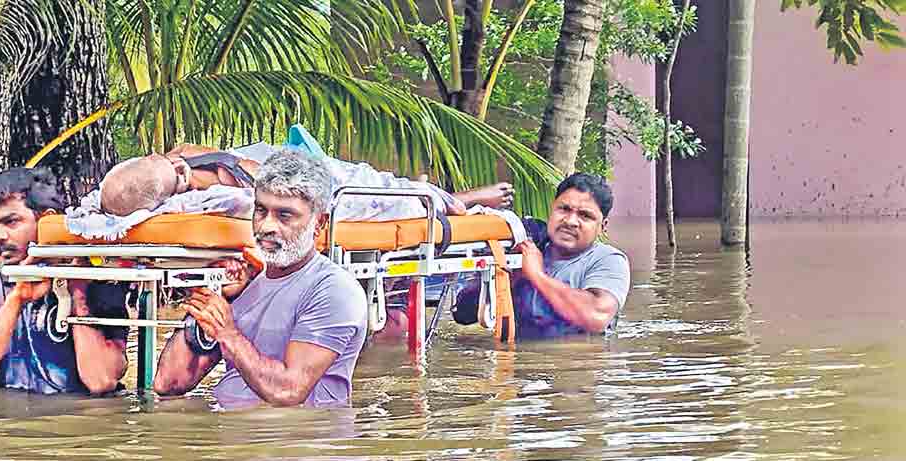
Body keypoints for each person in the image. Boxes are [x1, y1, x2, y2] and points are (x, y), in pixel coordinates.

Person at [153, 148, 369, 408]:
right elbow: (168, 383)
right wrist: (213, 299)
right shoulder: (243, 284)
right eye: (260, 211)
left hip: (296, 442)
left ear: (319, 223)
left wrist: (228, 334)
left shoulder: (334, 290)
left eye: (284, 215)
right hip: (230, 435)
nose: (266, 226)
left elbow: (288, 392)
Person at [0, 167, 130, 395]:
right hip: (8, 428)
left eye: (11, 222)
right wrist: (17, 299)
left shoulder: (99, 285)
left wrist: (77, 294)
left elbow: (101, 381)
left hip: (82, 427)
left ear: (46, 221)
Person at [98, 142, 514, 218]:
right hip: (306, 178)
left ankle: (443, 196)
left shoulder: (184, 158)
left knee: (376, 180)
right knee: (381, 190)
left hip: (287, 161)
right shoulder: (214, 187)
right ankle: (451, 199)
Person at [452, 172, 631, 338]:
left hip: (578, 367)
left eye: (585, 216)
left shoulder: (609, 260)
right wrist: (507, 278)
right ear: (551, 210)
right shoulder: (525, 245)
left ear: (603, 226)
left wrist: (536, 275)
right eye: (564, 209)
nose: (570, 221)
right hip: (515, 364)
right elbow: (462, 315)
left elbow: (596, 316)